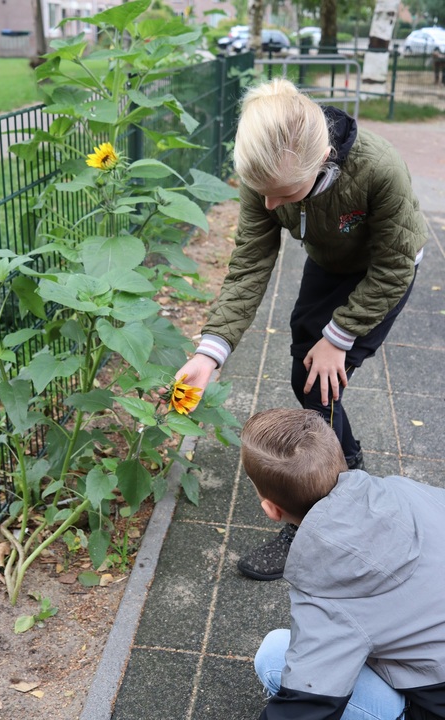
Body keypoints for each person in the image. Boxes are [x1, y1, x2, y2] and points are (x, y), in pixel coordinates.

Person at [175, 78, 428, 581]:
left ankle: (323, 515)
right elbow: (249, 266)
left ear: (325, 161)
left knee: (319, 381)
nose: (270, 207)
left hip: (386, 270)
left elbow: (396, 266)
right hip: (330, 264)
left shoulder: (378, 169)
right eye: (261, 193)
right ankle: (348, 464)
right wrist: (210, 352)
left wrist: (340, 337)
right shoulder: (265, 174)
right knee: (303, 371)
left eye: (283, 195)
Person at [241, 407, 445, 720]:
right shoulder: (402, 490)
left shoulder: (327, 590)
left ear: (272, 509)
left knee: (274, 655)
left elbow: (303, 709)